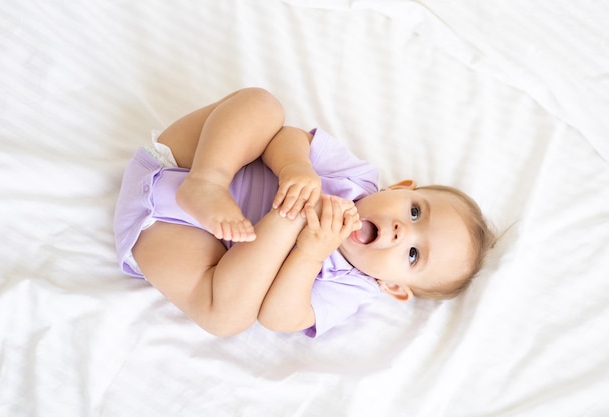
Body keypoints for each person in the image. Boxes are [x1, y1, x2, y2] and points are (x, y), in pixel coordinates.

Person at [113, 88, 494, 338]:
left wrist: (310, 252)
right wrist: (295, 167)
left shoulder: (352, 288)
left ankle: (287, 215)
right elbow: (288, 137)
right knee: (263, 107)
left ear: (394, 287)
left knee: (228, 318)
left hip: (169, 236)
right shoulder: (356, 179)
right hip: (186, 159)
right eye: (414, 213)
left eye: (413, 254)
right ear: (400, 189)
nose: (400, 232)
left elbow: (279, 317)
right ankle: (209, 182)